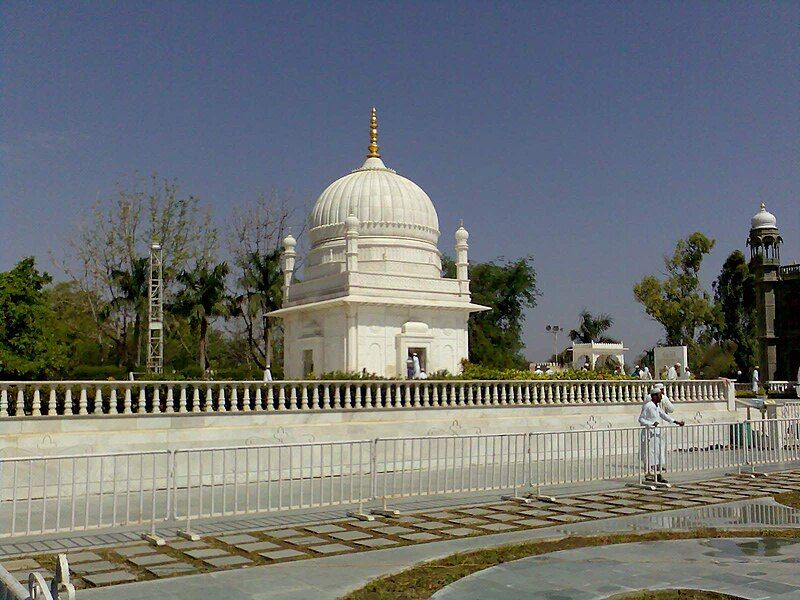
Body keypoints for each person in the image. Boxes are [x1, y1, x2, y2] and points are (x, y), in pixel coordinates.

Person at [638, 386, 685, 483]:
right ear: (654, 396)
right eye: (659, 395)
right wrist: (650, 424)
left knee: (657, 454)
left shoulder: (656, 406)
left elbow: (664, 415)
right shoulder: (648, 406)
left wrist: (676, 422)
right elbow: (641, 419)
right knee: (650, 454)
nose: (661, 397)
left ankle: (657, 474)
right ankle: (649, 476)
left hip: (656, 434)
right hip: (649, 434)